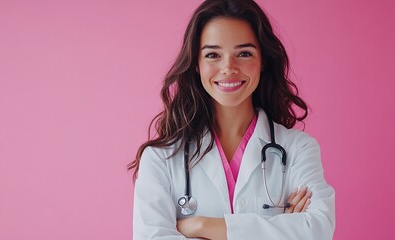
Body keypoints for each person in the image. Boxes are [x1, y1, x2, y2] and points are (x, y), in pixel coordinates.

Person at [128, 0, 335, 239]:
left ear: (263, 60)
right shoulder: (161, 159)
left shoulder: (298, 148)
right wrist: (278, 230)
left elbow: (318, 230)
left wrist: (200, 226)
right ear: (196, 63)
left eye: (244, 53)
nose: (228, 67)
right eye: (213, 54)